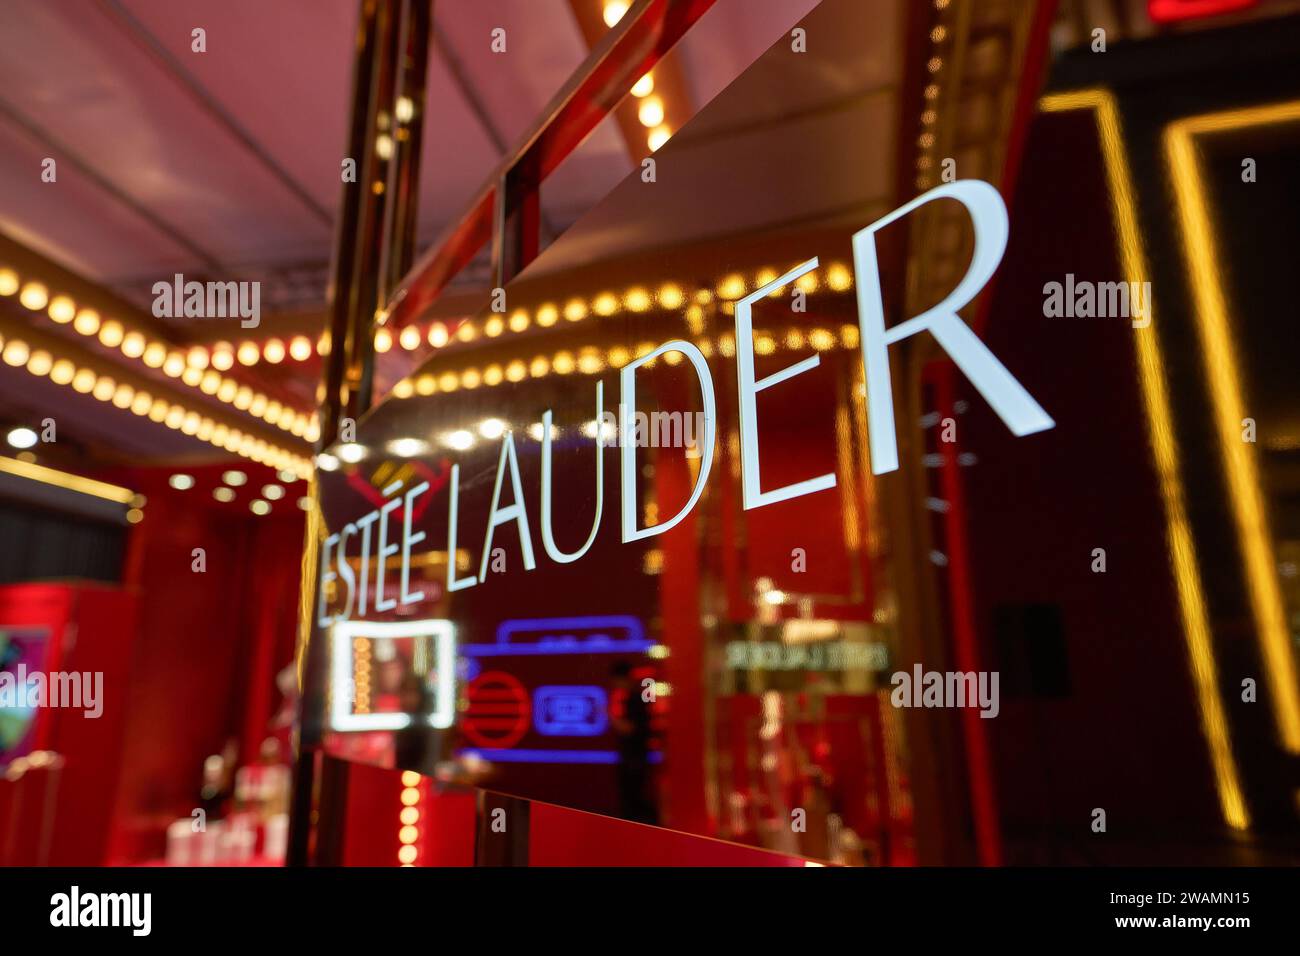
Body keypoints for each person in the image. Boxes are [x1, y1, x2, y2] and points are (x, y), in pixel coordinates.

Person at [609, 661, 657, 825]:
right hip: (636, 756)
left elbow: (630, 729)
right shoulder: (638, 697)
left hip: (633, 758)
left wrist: (610, 716)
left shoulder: (635, 699)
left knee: (632, 798)